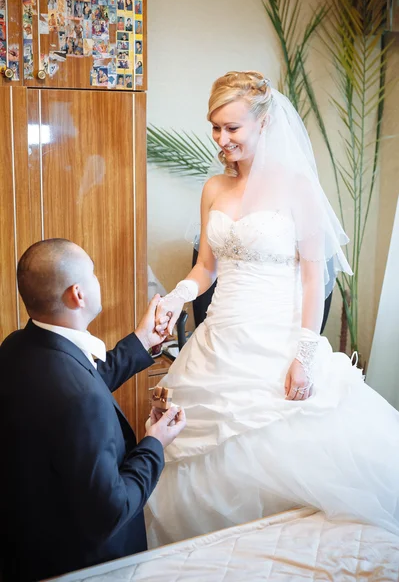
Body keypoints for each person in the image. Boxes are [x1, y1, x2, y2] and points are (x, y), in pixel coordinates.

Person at [146, 70, 399, 547]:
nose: (221, 139)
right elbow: (207, 266)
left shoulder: (297, 188)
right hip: (219, 337)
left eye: (232, 127)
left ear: (263, 123)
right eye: (215, 127)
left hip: (278, 340)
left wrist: (303, 356)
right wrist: (178, 296)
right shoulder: (214, 188)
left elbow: (311, 276)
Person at [0, 239, 186, 582]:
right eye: (94, 273)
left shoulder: (17, 346)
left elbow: (81, 377)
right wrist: (155, 442)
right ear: (78, 294)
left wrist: (142, 341)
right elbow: (111, 511)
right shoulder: (81, 397)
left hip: (28, 547)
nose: (98, 279)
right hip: (88, 564)